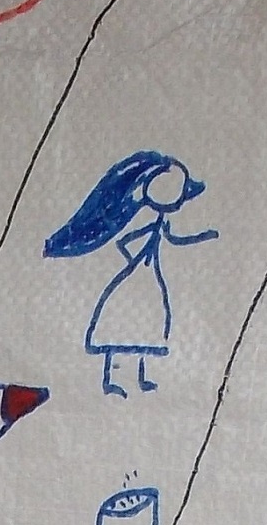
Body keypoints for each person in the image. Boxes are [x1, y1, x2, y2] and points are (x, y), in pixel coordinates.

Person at [44, 152, 216, 397]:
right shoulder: (147, 220)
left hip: (145, 275)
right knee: (126, 328)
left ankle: (140, 378)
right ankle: (110, 379)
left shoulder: (159, 221)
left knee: (144, 328)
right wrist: (134, 265)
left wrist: (201, 237)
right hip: (140, 274)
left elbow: (173, 240)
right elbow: (125, 241)